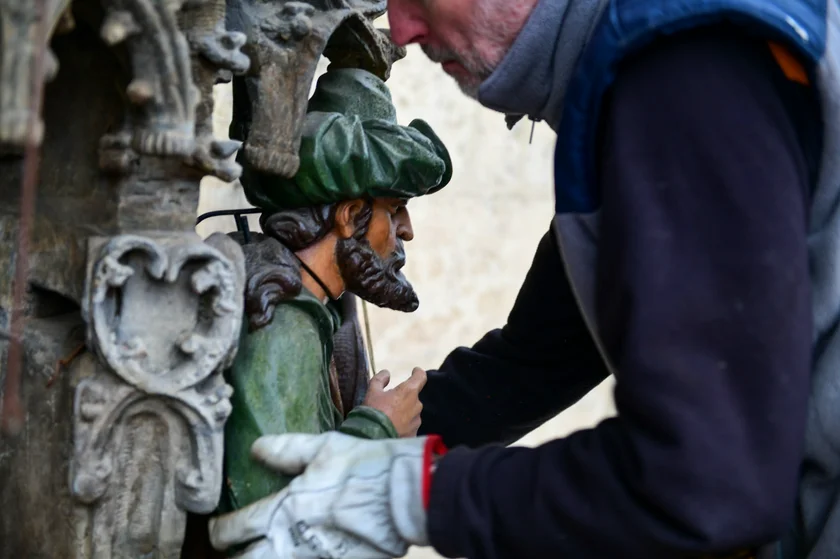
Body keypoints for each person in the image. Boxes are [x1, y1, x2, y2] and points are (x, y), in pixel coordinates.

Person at [207, 0, 839, 558]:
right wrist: (372, 449)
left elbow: (708, 479)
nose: (401, 26)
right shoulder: (628, 92)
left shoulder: (680, 75)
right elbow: (533, 364)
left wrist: (410, 493)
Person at [219, 66, 452, 512]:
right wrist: (379, 429)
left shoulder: (313, 310)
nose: (407, 230)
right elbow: (269, 509)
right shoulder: (283, 325)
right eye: (396, 209)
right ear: (348, 216)